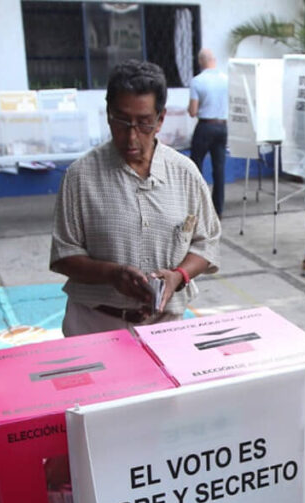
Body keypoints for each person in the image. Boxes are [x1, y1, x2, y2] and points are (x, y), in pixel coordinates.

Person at [50, 60, 221, 337]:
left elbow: (206, 242)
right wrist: (111, 274)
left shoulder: (185, 174)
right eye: (122, 122)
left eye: (143, 123)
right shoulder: (80, 176)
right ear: (108, 114)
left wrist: (178, 276)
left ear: (160, 119)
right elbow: (63, 255)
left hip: (165, 326)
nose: (131, 137)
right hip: (95, 325)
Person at [187, 48, 228, 216]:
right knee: (219, 169)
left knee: (195, 167)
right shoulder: (226, 80)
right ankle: (218, 210)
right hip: (222, 127)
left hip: (205, 126)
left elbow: (192, 111)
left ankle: (197, 207)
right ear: (215, 60)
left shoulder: (197, 81)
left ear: (200, 61)